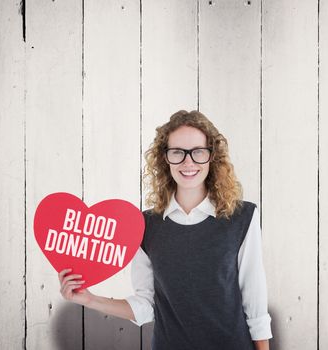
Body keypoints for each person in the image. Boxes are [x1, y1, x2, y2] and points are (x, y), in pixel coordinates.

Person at [58, 110, 273, 350]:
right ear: (165, 158)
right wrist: (90, 299)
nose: (188, 162)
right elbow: (146, 306)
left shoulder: (242, 218)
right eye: (177, 152)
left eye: (198, 152)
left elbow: (255, 302)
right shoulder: (145, 226)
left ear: (212, 157)